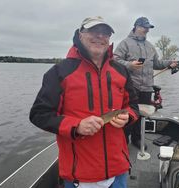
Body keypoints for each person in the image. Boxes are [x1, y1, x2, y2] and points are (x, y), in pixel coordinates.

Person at [29, 16, 139, 188]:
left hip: (118, 172)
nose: (100, 36)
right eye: (94, 31)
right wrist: (76, 126)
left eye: (105, 33)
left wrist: (128, 117)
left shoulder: (122, 71)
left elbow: (133, 107)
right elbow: (39, 115)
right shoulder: (59, 72)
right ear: (80, 35)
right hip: (78, 176)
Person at [114, 17, 177, 150]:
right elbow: (114, 60)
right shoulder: (125, 43)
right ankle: (123, 140)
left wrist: (169, 63)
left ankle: (137, 139)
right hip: (131, 87)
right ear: (136, 26)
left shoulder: (150, 46)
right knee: (127, 115)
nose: (147, 30)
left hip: (147, 88)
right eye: (144, 27)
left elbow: (157, 63)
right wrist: (129, 65)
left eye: (148, 28)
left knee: (140, 116)